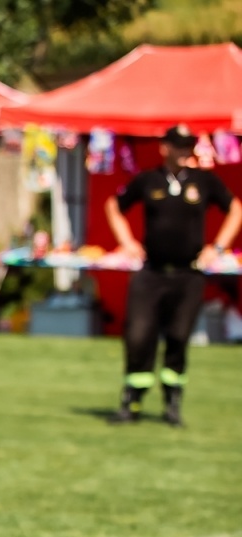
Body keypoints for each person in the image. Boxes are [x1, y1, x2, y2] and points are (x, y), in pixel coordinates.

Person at [105, 125, 242, 427]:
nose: (184, 152)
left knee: (179, 337)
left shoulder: (203, 180)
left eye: (188, 146)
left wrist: (218, 248)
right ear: (164, 147)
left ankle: (172, 402)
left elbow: (235, 209)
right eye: (179, 146)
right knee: (139, 336)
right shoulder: (148, 180)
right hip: (151, 273)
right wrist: (127, 243)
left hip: (188, 274)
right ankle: (133, 400)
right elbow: (114, 206)